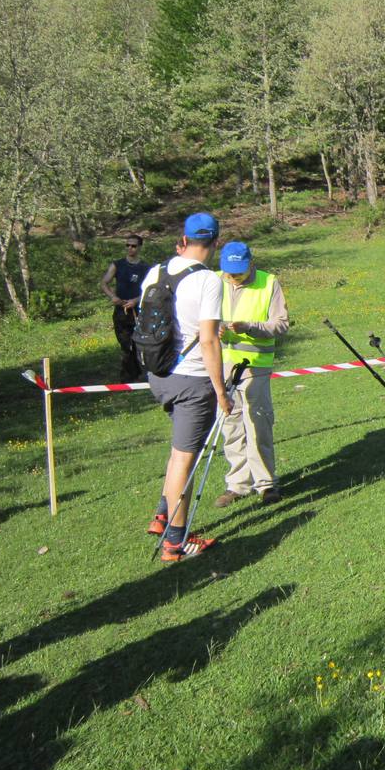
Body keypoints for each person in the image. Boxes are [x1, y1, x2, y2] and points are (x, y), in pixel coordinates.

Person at [142, 213, 230, 562]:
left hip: (159, 375)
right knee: (185, 458)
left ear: (184, 239)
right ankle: (176, 542)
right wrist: (220, 390)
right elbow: (208, 340)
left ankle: (164, 513)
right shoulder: (209, 281)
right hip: (192, 381)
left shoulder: (156, 272)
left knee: (179, 450)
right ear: (216, 242)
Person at [213, 241, 289, 508]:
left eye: (239, 272)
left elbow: (280, 325)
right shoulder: (215, 281)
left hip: (255, 366)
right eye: (230, 272)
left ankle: (266, 484)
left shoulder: (269, 283)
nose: (233, 277)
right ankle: (237, 484)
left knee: (258, 423)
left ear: (250, 264)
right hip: (221, 364)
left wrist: (249, 327)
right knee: (230, 424)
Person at [100, 235, 152, 382]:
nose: (130, 248)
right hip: (121, 311)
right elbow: (104, 283)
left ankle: (138, 375)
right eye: (128, 245)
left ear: (140, 247)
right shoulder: (117, 264)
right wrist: (113, 297)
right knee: (125, 344)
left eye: (134, 246)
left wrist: (136, 300)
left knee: (139, 344)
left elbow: (150, 290)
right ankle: (128, 378)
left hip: (139, 311)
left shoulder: (145, 268)